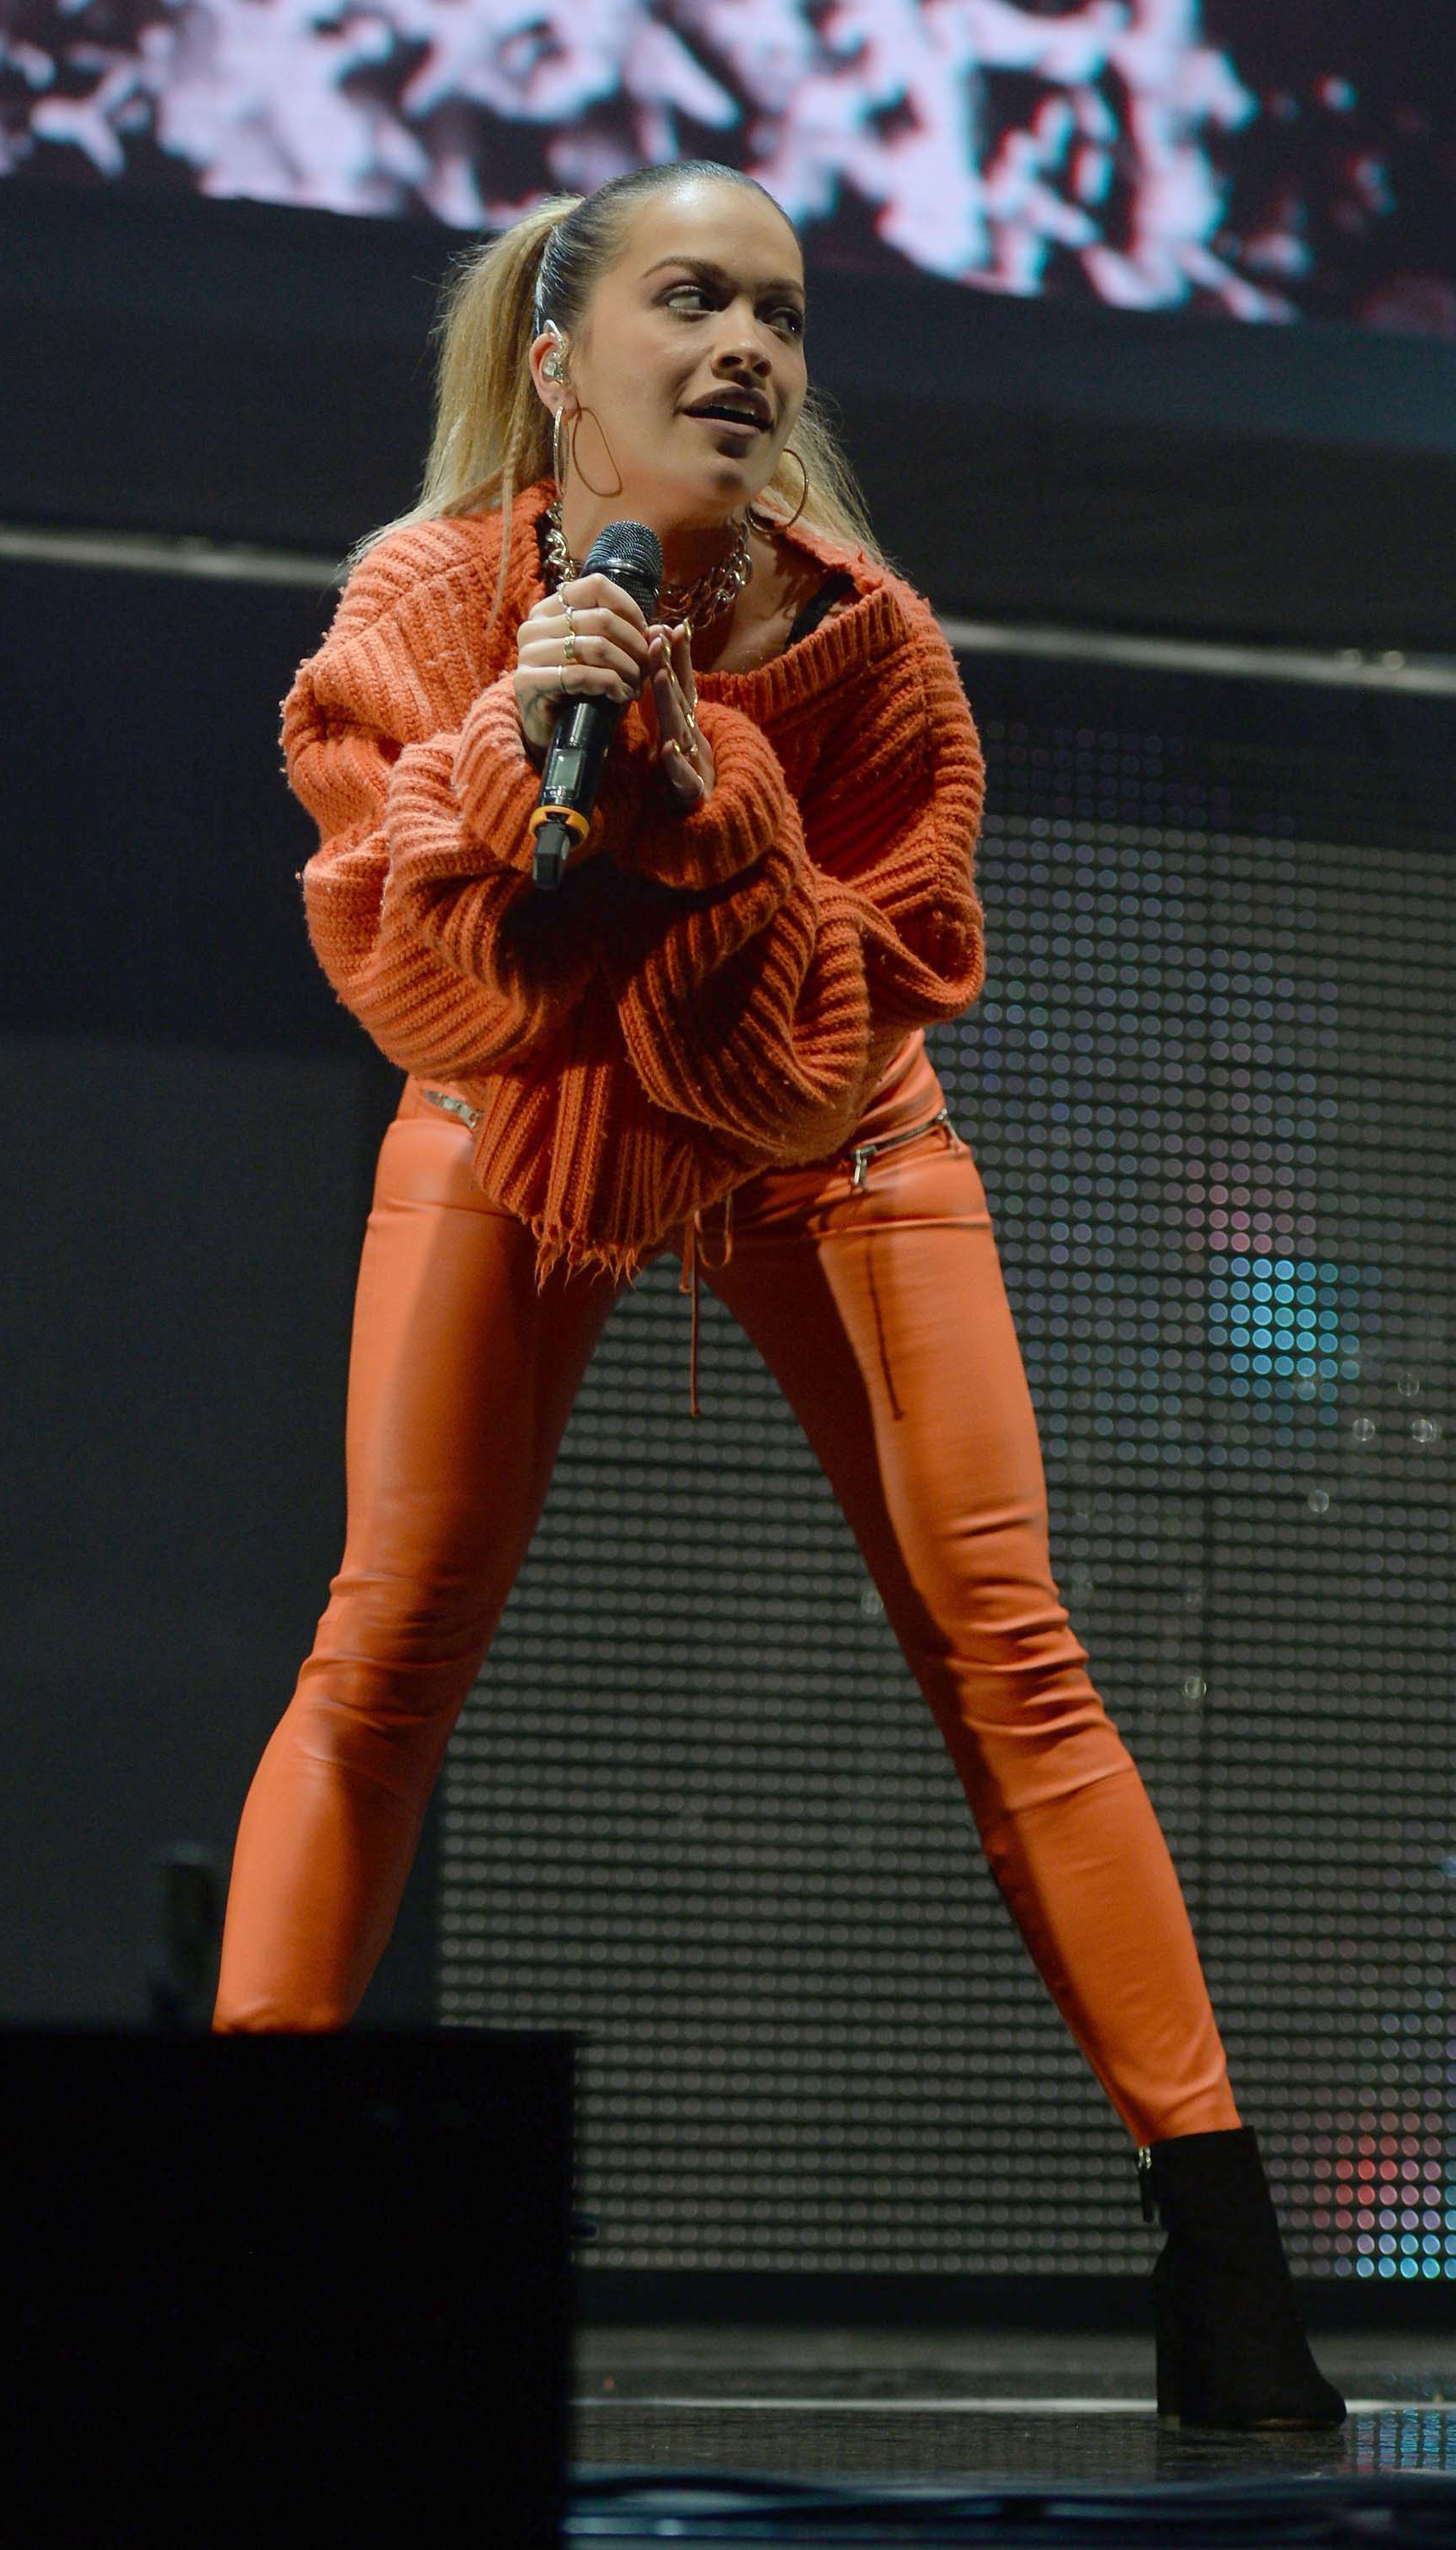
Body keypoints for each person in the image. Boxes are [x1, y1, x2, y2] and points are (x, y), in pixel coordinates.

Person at [212, 160, 1345, 2434]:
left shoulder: (870, 650)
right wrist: (519, 755)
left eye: (781, 314)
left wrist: (701, 784)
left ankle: (1222, 2257)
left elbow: (809, 1051)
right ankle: (237, 2223)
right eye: (691, 299)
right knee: (385, 1643)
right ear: (560, 364)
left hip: (832, 1144)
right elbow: (428, 996)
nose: (744, 347)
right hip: (516, 1119)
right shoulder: (427, 601)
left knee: (1008, 1648)